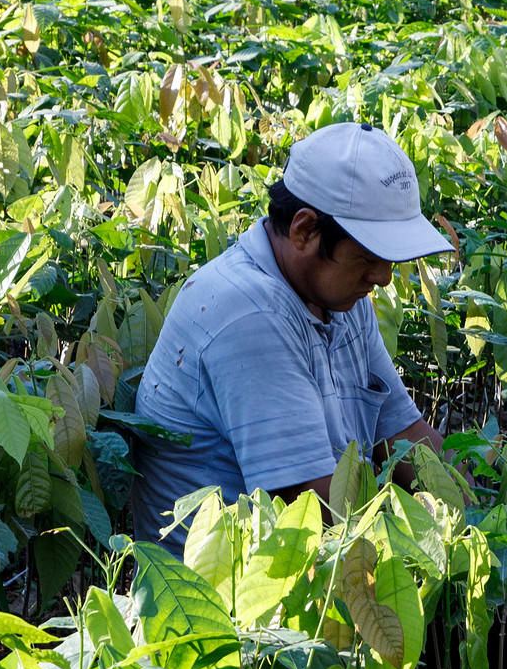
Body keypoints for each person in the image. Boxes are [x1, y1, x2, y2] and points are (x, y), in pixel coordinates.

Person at [131, 122, 454, 550]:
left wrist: (483, 523)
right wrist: (446, 553)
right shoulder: (248, 312)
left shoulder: (339, 298)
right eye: (369, 257)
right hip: (221, 600)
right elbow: (312, 514)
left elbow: (405, 436)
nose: (384, 277)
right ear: (304, 230)